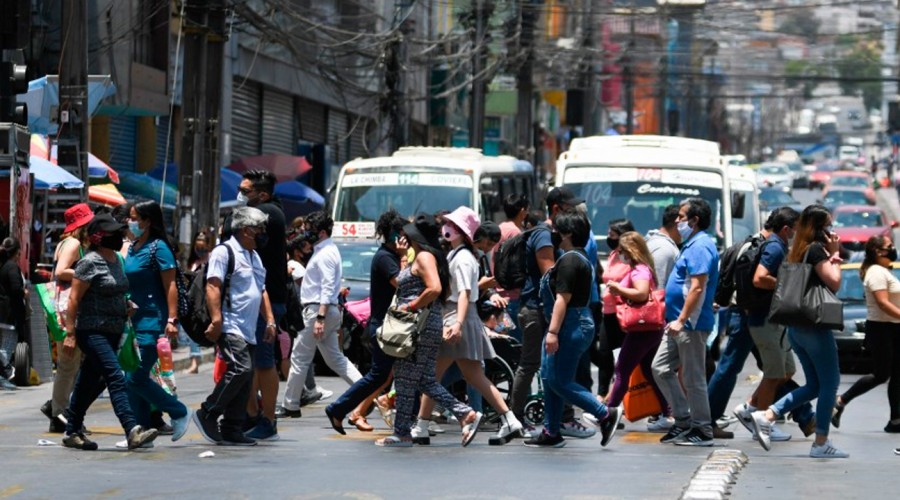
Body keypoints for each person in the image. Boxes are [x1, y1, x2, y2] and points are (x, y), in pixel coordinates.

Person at [414, 207, 524, 445]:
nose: (447, 229)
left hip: (456, 317)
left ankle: (422, 425)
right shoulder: (459, 254)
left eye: (454, 226)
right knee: (469, 375)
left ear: (463, 233)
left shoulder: (462, 257)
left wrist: (458, 323)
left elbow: (464, 293)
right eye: (448, 224)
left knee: (434, 375)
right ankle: (509, 419)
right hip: (458, 317)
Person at [375, 213, 482, 447]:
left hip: (419, 325)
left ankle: (402, 433)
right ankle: (464, 413)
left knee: (405, 378)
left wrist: (411, 305)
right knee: (424, 380)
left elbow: (433, 288)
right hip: (425, 324)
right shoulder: (425, 256)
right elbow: (413, 282)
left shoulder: (424, 257)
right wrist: (404, 258)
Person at [751, 204, 848, 458]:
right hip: (814, 326)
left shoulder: (796, 249)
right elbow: (835, 283)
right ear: (818, 228)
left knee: (815, 385)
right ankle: (821, 443)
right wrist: (834, 255)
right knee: (831, 383)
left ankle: (768, 414)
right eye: (828, 225)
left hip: (796, 327)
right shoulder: (816, 251)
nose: (831, 230)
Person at [60, 214, 160, 450]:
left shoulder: (116, 259)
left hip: (115, 330)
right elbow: (74, 299)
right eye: (113, 233)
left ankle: (72, 430)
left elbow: (117, 290)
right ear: (98, 237)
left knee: (88, 383)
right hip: (92, 331)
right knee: (115, 376)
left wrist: (126, 305)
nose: (119, 236)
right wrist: (71, 333)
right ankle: (131, 429)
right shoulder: (89, 262)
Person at [525, 209, 620, 448]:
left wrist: (553, 332)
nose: (553, 233)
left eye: (557, 230)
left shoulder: (570, 260)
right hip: (570, 322)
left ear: (567, 233)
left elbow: (561, 299)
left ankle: (604, 413)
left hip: (570, 324)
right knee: (549, 378)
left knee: (559, 380)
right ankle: (551, 431)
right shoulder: (572, 258)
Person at [510, 187, 596, 439]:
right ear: (557, 209)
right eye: (570, 208)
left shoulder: (561, 244)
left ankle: (557, 424)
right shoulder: (547, 237)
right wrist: (555, 327)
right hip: (540, 311)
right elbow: (554, 284)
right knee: (538, 369)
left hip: (555, 313)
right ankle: (516, 419)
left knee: (555, 374)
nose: (575, 213)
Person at [193, 207, 276, 446]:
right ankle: (208, 412)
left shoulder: (254, 256)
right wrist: (217, 320)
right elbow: (213, 286)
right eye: (259, 228)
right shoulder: (224, 252)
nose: (262, 233)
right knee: (241, 368)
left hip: (248, 327)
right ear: (245, 229)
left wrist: (269, 320)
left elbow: (261, 290)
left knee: (247, 375)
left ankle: (231, 427)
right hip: (230, 323)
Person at [325, 209, 407, 434]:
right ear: (394, 236)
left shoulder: (388, 256)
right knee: (378, 374)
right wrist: (403, 257)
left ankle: (349, 410)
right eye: (402, 234)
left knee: (387, 373)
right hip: (383, 326)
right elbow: (402, 283)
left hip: (389, 325)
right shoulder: (386, 258)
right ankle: (339, 409)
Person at [223, 170, 288, 441]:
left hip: (266, 301)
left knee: (262, 362)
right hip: (248, 299)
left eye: (245, 190)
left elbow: (229, 229)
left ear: (262, 194)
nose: (240, 194)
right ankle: (252, 415)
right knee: (246, 363)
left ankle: (268, 419)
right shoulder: (263, 211)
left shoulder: (269, 213)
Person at [278, 211, 362, 417]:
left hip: (318, 310)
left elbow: (326, 287)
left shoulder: (325, 254)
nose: (306, 233)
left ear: (322, 232)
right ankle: (369, 393)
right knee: (336, 359)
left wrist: (320, 318)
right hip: (324, 311)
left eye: (310, 229)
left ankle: (291, 404)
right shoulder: (326, 250)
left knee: (299, 357)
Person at [122, 201, 192, 444]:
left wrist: (172, 319)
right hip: (133, 323)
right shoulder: (133, 247)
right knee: (132, 379)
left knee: (136, 378)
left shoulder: (158, 248)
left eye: (133, 217)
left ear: (147, 220)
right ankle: (141, 432)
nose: (129, 222)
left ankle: (178, 411)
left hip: (153, 322)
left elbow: (170, 285)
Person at [653, 197, 719, 447]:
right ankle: (682, 420)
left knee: (693, 378)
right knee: (660, 368)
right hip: (677, 322)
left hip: (689, 324)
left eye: (681, 217)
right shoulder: (690, 244)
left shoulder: (701, 246)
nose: (677, 221)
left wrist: (682, 319)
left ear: (694, 221)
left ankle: (702, 430)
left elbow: (697, 287)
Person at [731, 207, 801, 442]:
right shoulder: (774, 247)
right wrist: (787, 284)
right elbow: (760, 278)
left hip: (772, 321)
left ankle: (750, 408)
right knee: (773, 374)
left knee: (786, 371)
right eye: (794, 229)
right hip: (764, 320)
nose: (796, 233)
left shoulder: (776, 245)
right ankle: (763, 424)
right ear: (785, 229)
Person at [832, 235, 900, 433]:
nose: (893, 249)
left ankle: (895, 420)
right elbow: (882, 302)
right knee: (881, 374)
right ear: (878, 252)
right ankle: (841, 401)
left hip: (892, 327)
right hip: (882, 329)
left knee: (896, 375)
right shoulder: (876, 272)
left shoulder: (883, 271)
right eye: (889, 246)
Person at [40, 203, 94, 432]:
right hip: (66, 310)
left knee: (69, 364)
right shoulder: (72, 244)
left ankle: (60, 409)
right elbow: (61, 271)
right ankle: (59, 413)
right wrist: (89, 271)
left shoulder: (67, 242)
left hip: (65, 309)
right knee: (68, 364)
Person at [601, 232, 667, 416]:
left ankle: (608, 413)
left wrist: (618, 288)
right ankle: (668, 412)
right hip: (648, 328)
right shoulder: (639, 268)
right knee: (648, 370)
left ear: (631, 250)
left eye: (621, 250)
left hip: (642, 328)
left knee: (622, 369)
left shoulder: (640, 270)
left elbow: (641, 293)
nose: (619, 253)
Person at [598, 218, 635, 399]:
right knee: (605, 355)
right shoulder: (613, 254)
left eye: (612, 235)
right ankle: (602, 396)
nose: (608, 238)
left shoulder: (632, 258)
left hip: (624, 313)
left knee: (624, 358)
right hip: (608, 311)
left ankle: (619, 398)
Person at [493, 194, 530, 340]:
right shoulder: (516, 232)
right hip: (512, 298)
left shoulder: (499, 229)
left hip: (498, 295)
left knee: (504, 340)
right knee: (516, 343)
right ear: (522, 211)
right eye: (526, 210)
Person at [181, 230, 214, 374]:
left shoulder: (212, 259)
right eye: (197, 246)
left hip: (207, 301)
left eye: (202, 246)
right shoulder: (193, 262)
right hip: (193, 301)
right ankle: (194, 362)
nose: (200, 249)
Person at [0, 238, 25, 391]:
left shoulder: (2, 266)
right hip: (9, 312)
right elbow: (16, 289)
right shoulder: (12, 267)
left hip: (2, 311)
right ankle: (4, 374)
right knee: (6, 347)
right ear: (17, 252)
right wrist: (25, 292)